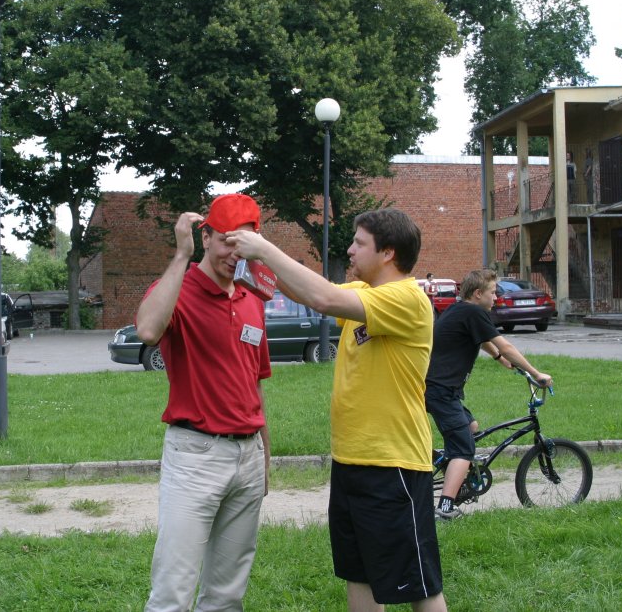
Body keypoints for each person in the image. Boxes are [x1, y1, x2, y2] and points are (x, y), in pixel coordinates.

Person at [228, 207, 446, 612]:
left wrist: (264, 247)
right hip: (351, 460)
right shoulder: (366, 293)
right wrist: (258, 264)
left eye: (359, 243)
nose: (350, 250)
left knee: (419, 584)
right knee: (358, 572)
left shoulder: (407, 299)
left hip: (393, 463)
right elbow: (308, 292)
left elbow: (323, 297)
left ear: (388, 253)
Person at [137, 193, 272, 612]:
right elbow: (147, 330)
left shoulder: (251, 300)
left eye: (245, 244)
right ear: (207, 236)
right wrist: (181, 255)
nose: (236, 254)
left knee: (227, 593)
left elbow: (254, 385)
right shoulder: (179, 288)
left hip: (248, 456)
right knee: (173, 590)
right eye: (228, 241)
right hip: (196, 455)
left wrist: (265, 457)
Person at [425, 268, 552, 521]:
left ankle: (454, 473)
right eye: (493, 293)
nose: (496, 297)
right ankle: (445, 509)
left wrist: (498, 358)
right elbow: (505, 344)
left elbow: (483, 340)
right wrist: (536, 373)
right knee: (464, 449)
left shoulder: (459, 309)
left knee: (470, 427)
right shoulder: (474, 312)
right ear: (477, 293)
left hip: (439, 389)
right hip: (441, 391)